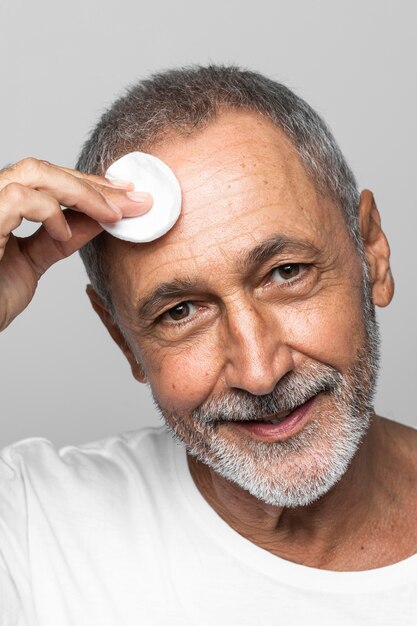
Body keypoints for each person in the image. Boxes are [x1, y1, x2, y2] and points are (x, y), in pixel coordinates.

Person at [0, 65, 416, 625]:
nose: (259, 371)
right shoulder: (31, 527)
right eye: (181, 312)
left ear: (373, 255)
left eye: (286, 272)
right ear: (122, 340)